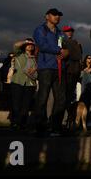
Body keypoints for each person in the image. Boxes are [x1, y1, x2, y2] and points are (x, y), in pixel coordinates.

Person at [33, 8, 69, 137]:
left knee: (61, 98)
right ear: (46, 16)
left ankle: (56, 127)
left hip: (59, 68)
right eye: (54, 15)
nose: (57, 17)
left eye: (59, 15)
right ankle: (39, 126)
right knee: (42, 97)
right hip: (46, 67)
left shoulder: (60, 33)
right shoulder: (40, 30)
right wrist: (59, 51)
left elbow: (65, 47)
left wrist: (66, 52)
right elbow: (42, 45)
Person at [9, 39, 38, 130]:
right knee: (16, 104)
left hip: (30, 84)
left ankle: (23, 124)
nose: (30, 45)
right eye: (28, 44)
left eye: (32, 44)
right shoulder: (19, 54)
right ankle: (15, 123)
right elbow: (15, 45)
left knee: (26, 105)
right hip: (17, 82)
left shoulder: (36, 58)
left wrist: (35, 70)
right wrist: (26, 41)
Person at [62, 26, 83, 130]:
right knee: (64, 97)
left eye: (70, 31)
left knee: (70, 97)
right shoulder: (62, 41)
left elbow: (79, 56)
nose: (69, 32)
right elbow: (75, 55)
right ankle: (64, 120)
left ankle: (68, 121)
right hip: (66, 72)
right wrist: (75, 49)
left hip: (74, 72)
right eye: (67, 31)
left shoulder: (76, 42)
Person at [79, 55, 91, 127]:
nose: (90, 60)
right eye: (89, 58)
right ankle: (81, 122)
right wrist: (88, 68)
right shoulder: (83, 68)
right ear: (85, 59)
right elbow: (80, 76)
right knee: (84, 106)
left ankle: (90, 121)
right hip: (85, 90)